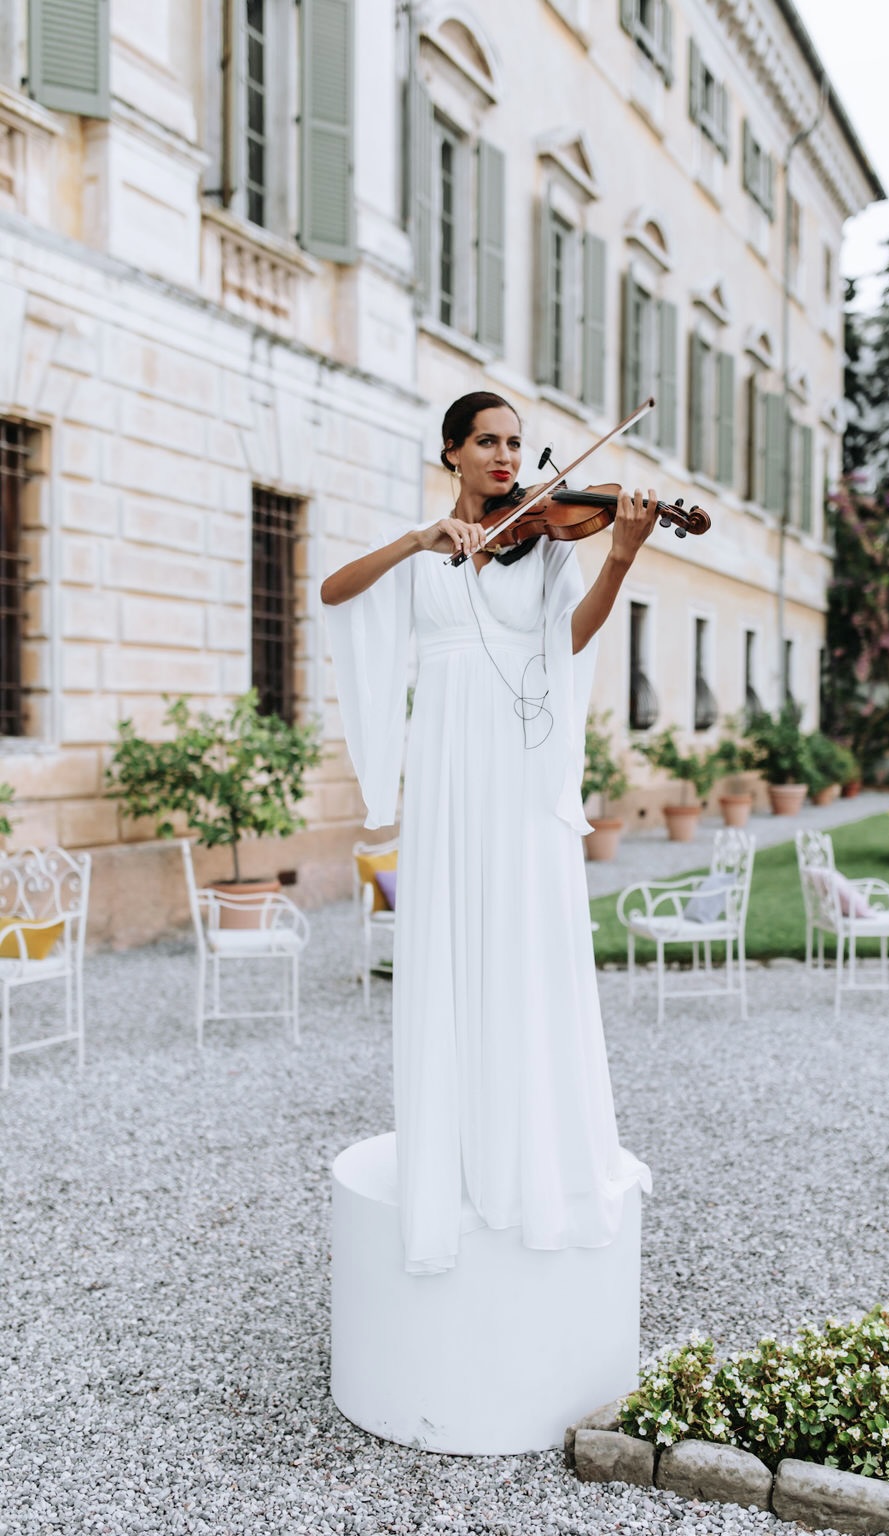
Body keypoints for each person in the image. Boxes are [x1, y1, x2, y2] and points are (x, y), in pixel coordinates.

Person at [321, 391, 655, 1276]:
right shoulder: (428, 546)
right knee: (451, 935)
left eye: (516, 443)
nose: (508, 458)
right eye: (488, 442)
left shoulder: (547, 542)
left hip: (517, 762)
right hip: (441, 765)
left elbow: (569, 641)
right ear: (452, 453)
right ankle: (456, 1144)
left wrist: (617, 558)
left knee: (522, 933)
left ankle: (526, 1146)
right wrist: (418, 540)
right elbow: (334, 593)